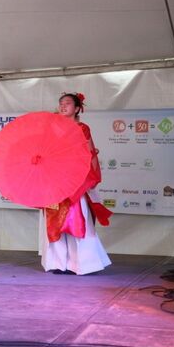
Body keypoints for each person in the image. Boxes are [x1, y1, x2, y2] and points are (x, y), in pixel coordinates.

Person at [39, 92, 112, 275]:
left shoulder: (82, 128)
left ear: (78, 108)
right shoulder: (52, 127)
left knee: (75, 219)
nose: (63, 106)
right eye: (61, 103)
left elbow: (90, 154)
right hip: (54, 179)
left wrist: (91, 178)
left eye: (68, 103)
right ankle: (57, 263)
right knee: (54, 220)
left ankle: (80, 264)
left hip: (74, 180)